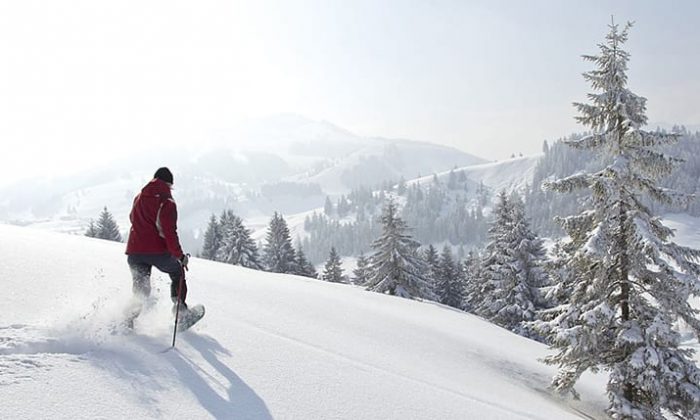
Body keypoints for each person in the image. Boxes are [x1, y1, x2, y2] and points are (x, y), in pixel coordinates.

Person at [125, 167, 191, 324]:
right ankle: (180, 313)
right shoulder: (167, 202)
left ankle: (125, 322)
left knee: (141, 292)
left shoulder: (139, 197)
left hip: (134, 252)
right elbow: (170, 232)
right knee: (177, 271)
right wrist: (180, 256)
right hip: (156, 252)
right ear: (168, 184)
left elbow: (132, 218)